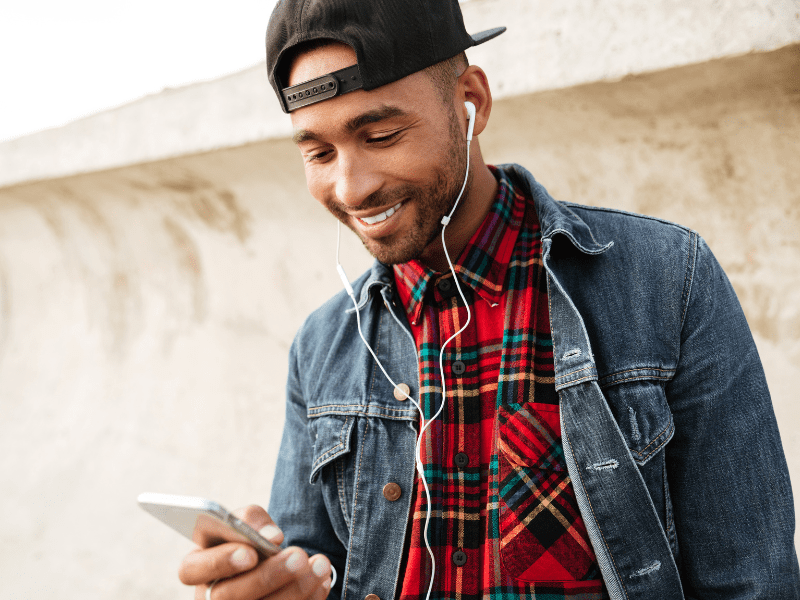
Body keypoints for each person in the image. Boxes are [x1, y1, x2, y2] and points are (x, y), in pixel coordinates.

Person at [178, 1, 800, 598]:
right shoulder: (322, 345)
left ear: (471, 101)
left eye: (383, 134)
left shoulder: (667, 281)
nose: (351, 187)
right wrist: (272, 586)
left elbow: (752, 581)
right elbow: (315, 566)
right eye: (318, 152)